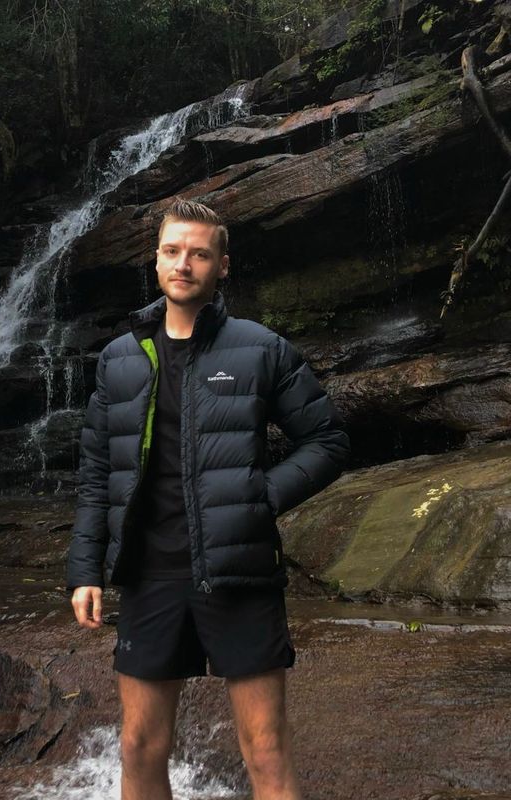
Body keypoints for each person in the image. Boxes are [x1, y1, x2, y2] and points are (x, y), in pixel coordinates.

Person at [66, 198, 349, 800]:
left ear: (223, 265)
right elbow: (96, 473)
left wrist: (261, 496)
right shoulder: (119, 358)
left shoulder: (259, 348)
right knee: (140, 745)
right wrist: (85, 571)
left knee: (265, 746)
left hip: (239, 573)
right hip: (150, 573)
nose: (184, 264)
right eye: (172, 251)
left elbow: (326, 440)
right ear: (156, 260)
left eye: (199, 253)